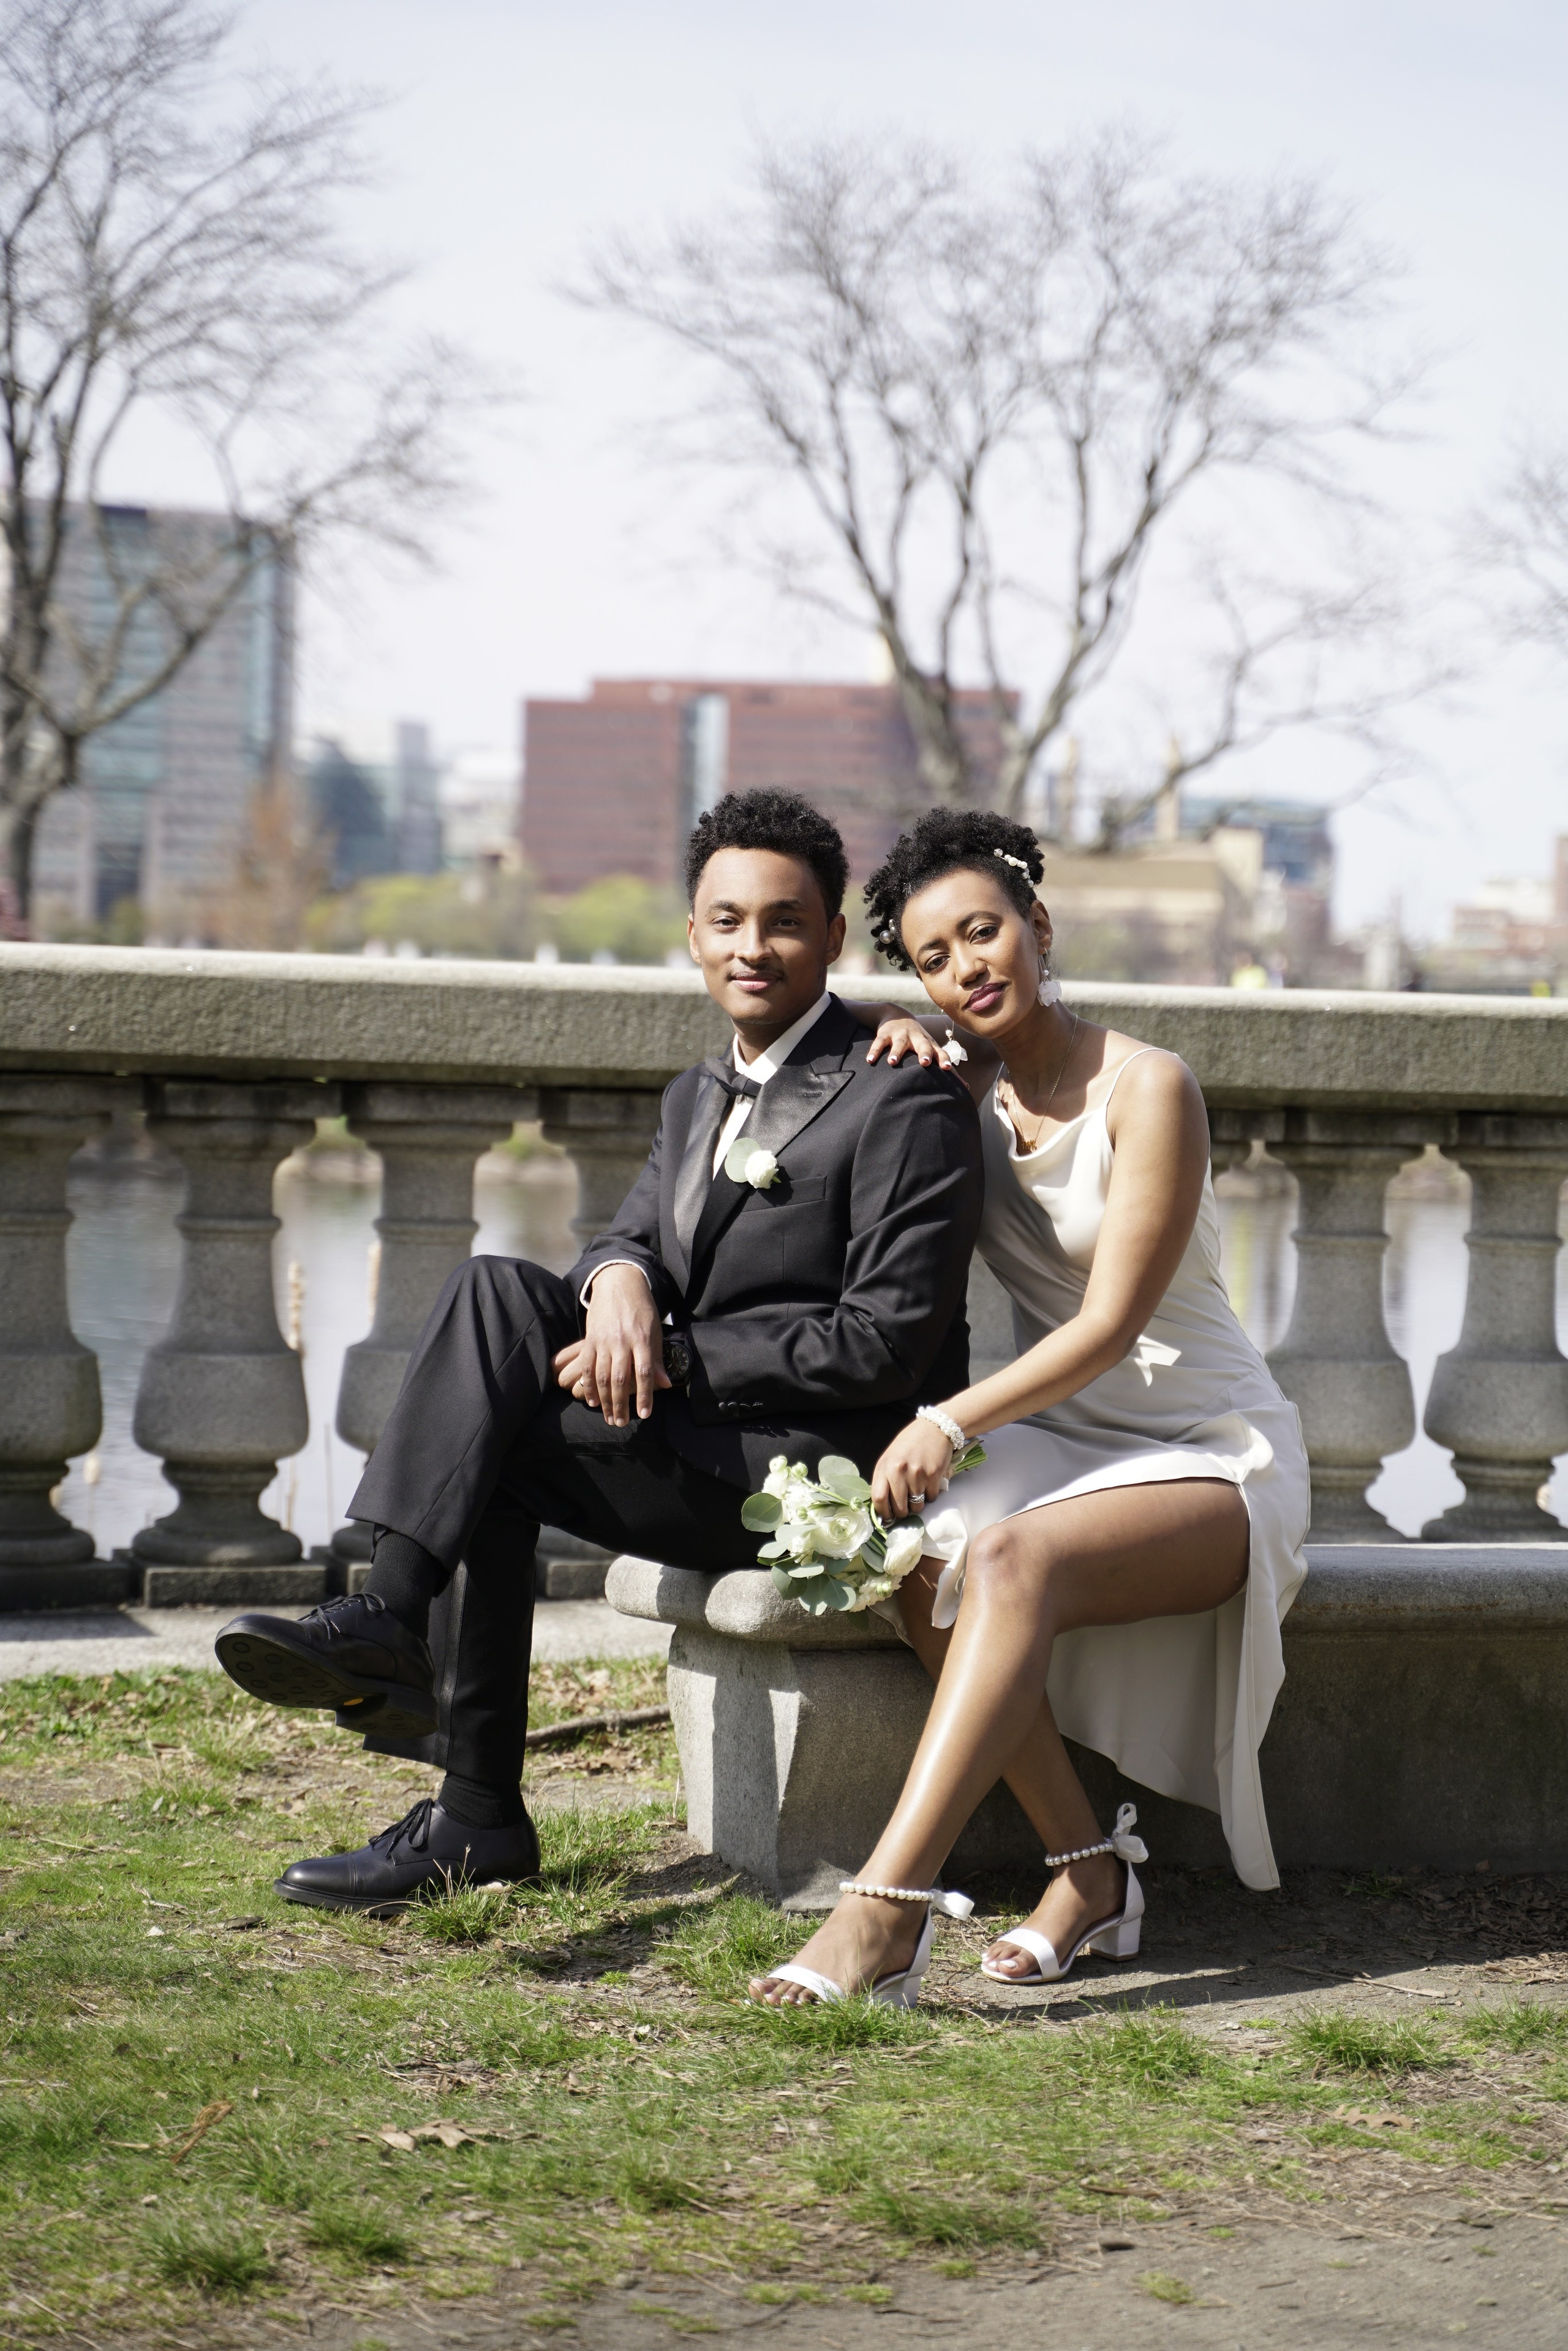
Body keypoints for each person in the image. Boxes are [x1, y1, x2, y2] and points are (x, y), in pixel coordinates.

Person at [213, 789, 983, 1913]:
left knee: (493, 1433)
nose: (750, 946)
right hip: (706, 1439)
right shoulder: (695, 1092)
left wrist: (673, 1352)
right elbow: (634, 1231)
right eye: (725, 921)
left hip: (819, 1467)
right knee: (495, 1296)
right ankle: (400, 1650)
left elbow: (888, 1344)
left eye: (781, 921)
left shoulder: (903, 1091)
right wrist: (619, 1279)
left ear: (830, 938)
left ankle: (461, 1781)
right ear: (691, 934)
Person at [750, 808, 1309, 2008]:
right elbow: (806, 1048)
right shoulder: (959, 1089)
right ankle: (1086, 1869)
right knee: (910, 1551)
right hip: (1070, 1440)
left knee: (998, 1553)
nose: (966, 969)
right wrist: (879, 1027)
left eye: (983, 933)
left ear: (1036, 926)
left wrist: (948, 1420)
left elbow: (1108, 1325)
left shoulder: (1147, 1086)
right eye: (933, 957)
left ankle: (880, 1909)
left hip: (1215, 1451)